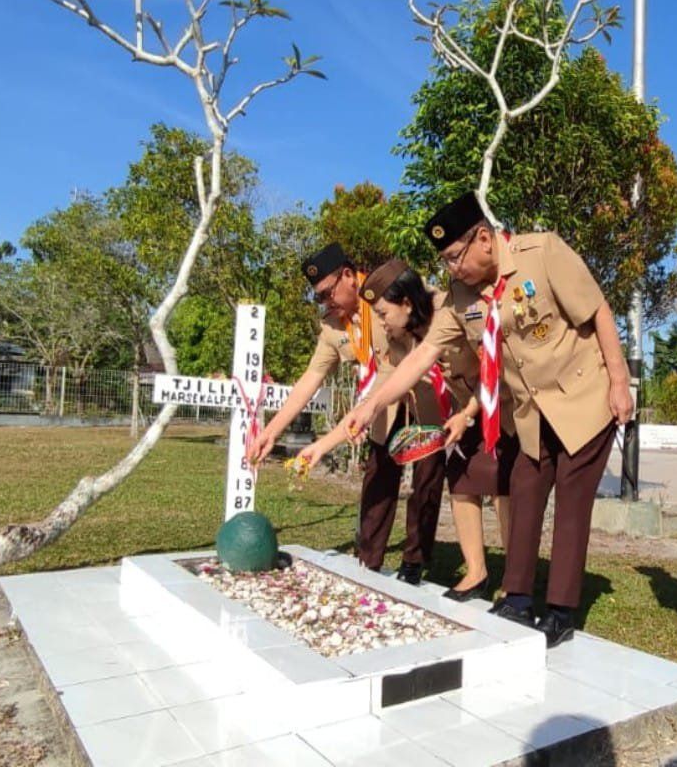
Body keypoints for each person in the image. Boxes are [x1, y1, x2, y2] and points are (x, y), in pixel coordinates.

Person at [345, 192, 633, 647]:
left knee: (572, 503)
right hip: (533, 413)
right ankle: (517, 598)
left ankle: (561, 609)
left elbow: (597, 310)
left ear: (483, 238)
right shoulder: (460, 297)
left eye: (456, 257)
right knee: (525, 487)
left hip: (583, 396)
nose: (452, 269)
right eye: (445, 262)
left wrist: (620, 381)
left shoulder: (543, 253)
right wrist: (372, 405)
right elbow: (422, 356)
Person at [298, 258, 515, 602]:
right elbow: (378, 395)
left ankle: (516, 583)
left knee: (501, 489)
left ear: (407, 303)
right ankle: (477, 574)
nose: (381, 324)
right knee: (461, 486)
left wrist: (470, 411)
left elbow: (493, 363)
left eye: (383, 314)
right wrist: (324, 444)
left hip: (495, 409)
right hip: (456, 419)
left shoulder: (450, 311)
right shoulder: (400, 341)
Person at [246, 243, 444, 584]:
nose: (325, 302)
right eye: (319, 298)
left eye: (327, 293)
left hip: (426, 393)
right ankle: (369, 559)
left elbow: (432, 312)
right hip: (380, 405)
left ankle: (415, 561)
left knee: (427, 478)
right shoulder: (333, 327)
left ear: (349, 276)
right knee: (379, 476)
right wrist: (271, 430)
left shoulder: (387, 292)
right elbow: (311, 377)